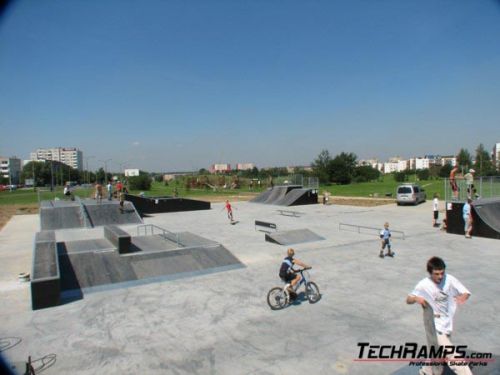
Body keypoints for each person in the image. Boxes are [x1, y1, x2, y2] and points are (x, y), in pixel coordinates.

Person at [406, 256, 472, 375]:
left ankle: (425, 372)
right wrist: (416, 298)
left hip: (446, 324)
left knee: (438, 354)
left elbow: (466, 292)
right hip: (434, 326)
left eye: (442, 273)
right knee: (452, 354)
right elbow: (408, 299)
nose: (440, 277)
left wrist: (463, 297)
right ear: (430, 273)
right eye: (436, 274)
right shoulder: (423, 284)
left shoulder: (449, 279)